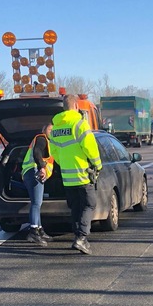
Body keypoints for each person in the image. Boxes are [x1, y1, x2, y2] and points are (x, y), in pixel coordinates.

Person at [47, 94, 103, 255]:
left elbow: (54, 152)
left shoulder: (56, 128)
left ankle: (78, 236)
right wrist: (97, 165)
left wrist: (64, 164)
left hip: (67, 177)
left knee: (76, 208)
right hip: (83, 174)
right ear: (76, 106)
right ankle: (81, 238)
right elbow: (90, 148)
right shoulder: (80, 124)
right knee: (89, 204)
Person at [21, 124, 55, 245]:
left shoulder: (50, 144)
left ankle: (40, 230)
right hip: (34, 171)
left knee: (37, 203)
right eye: (50, 129)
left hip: (31, 173)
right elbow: (37, 153)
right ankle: (33, 232)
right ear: (43, 130)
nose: (52, 131)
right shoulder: (41, 138)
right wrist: (41, 167)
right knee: (36, 203)